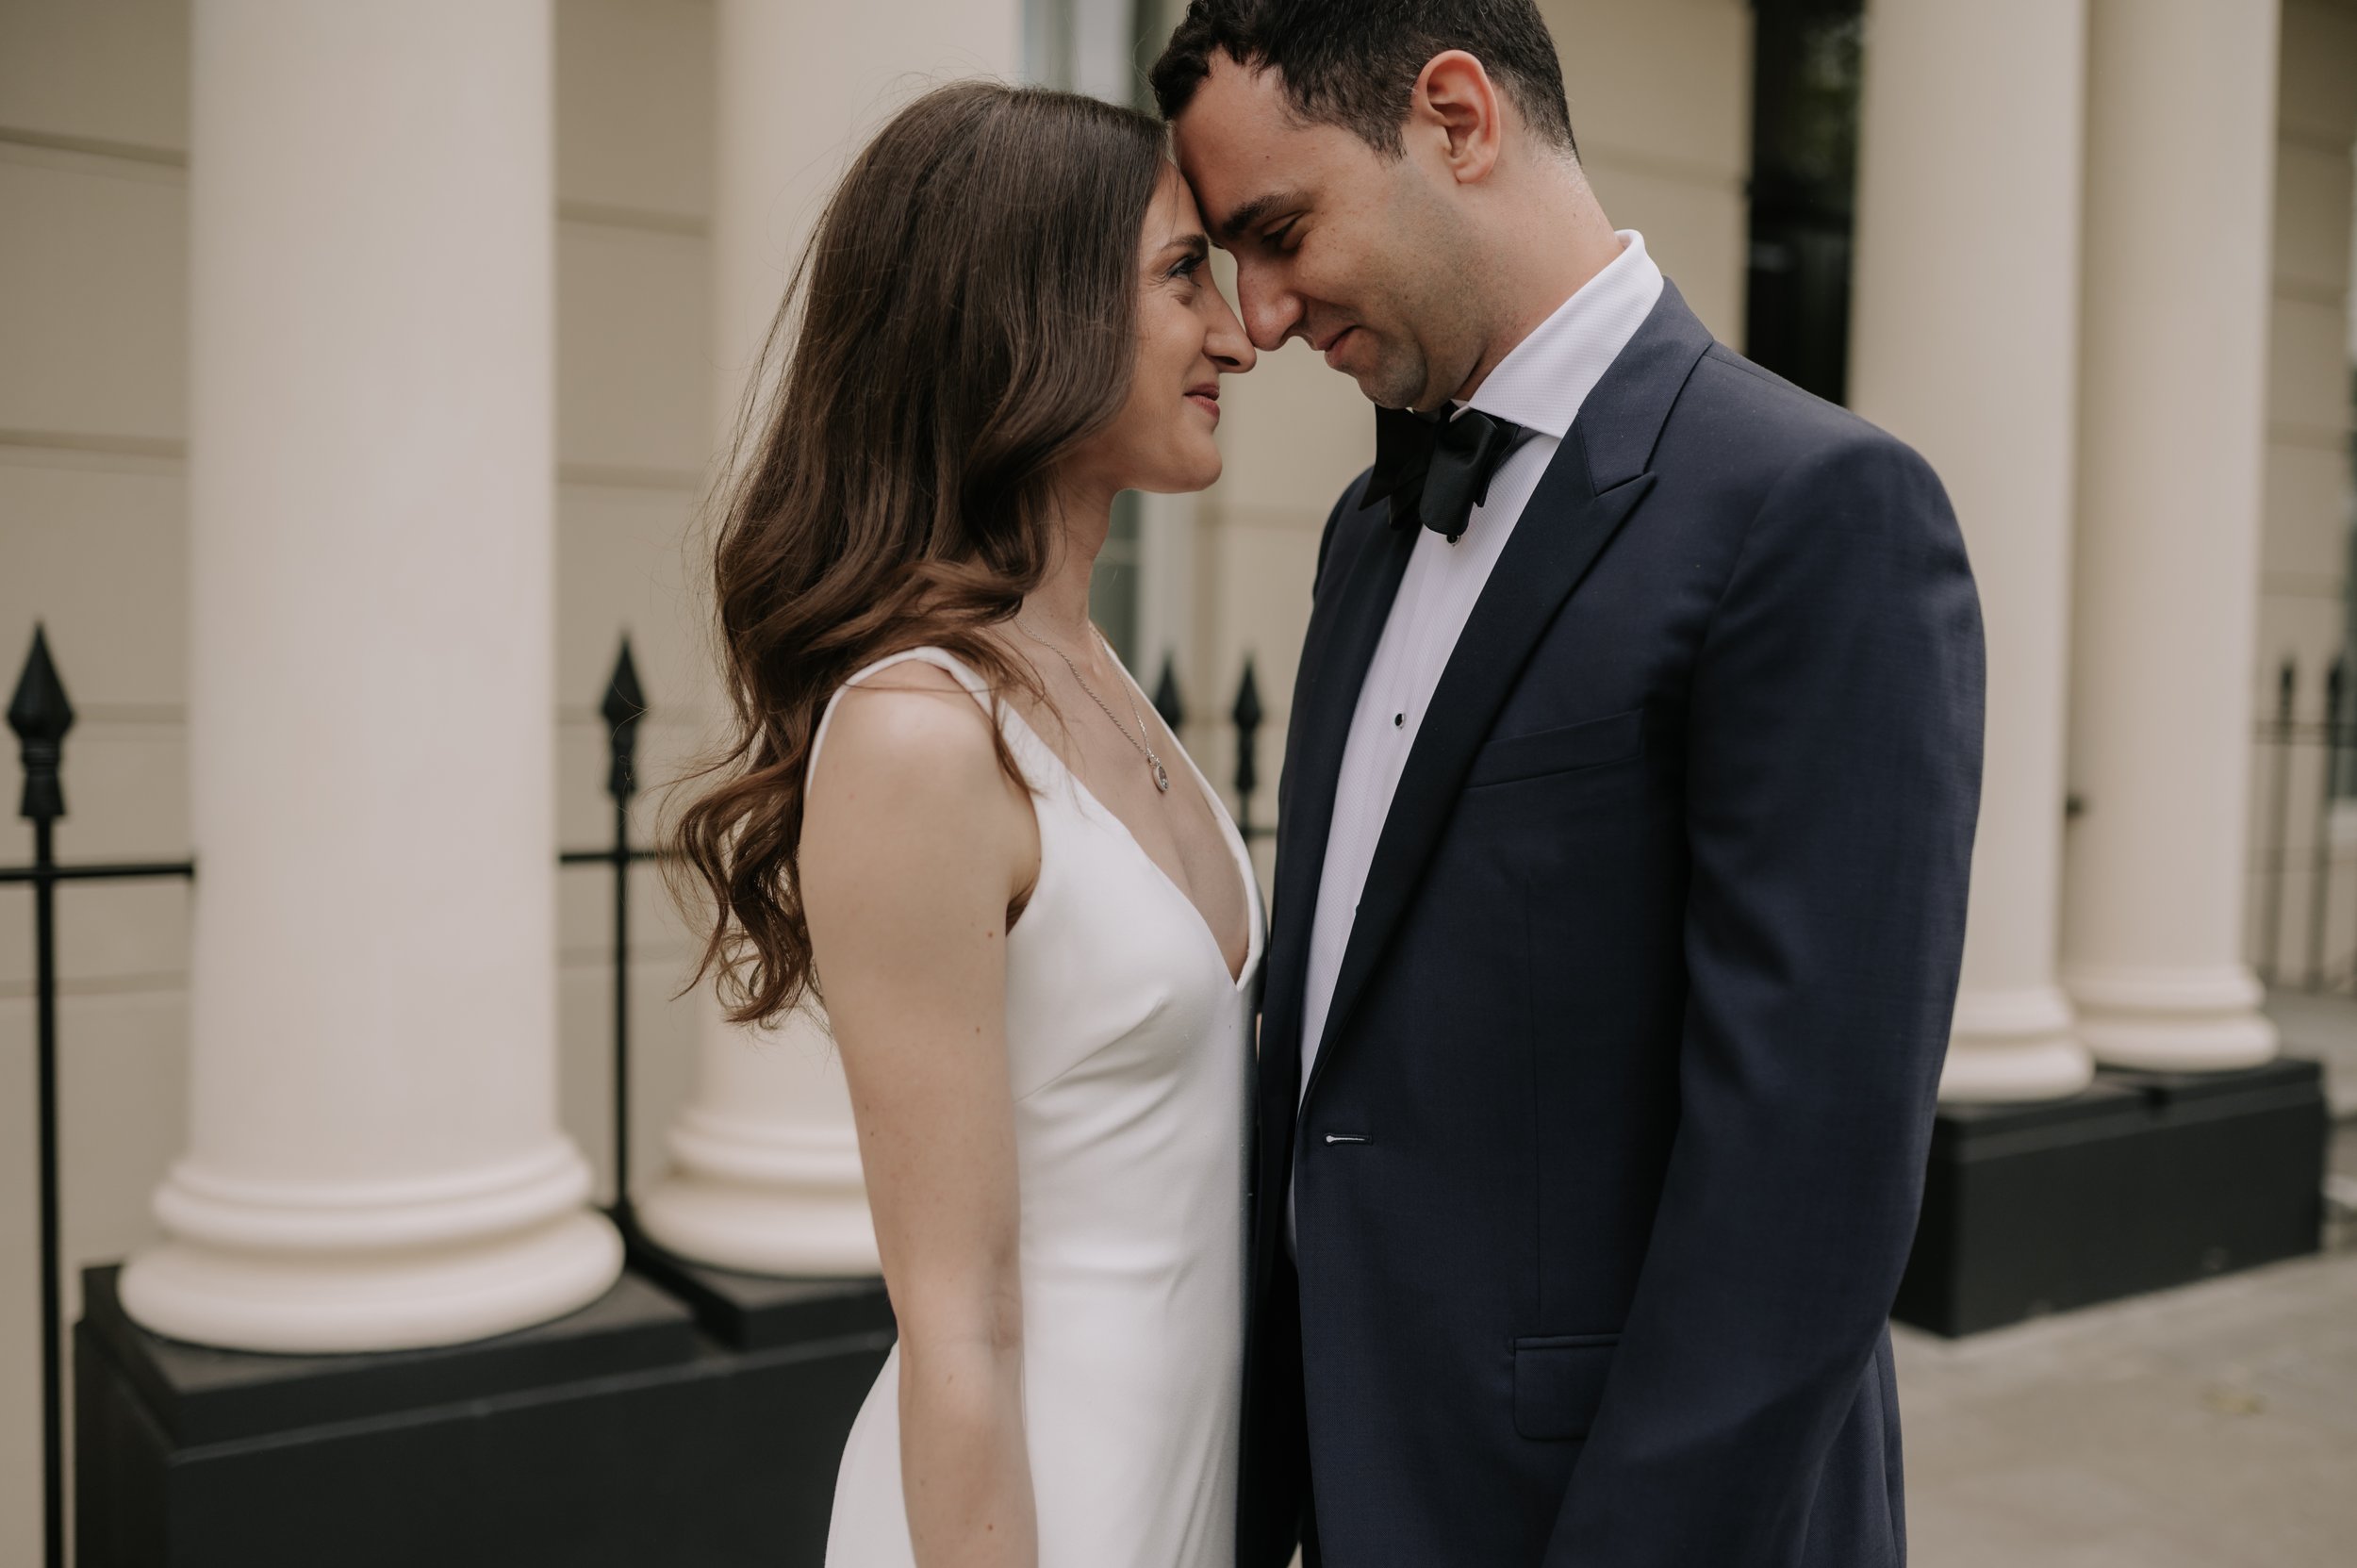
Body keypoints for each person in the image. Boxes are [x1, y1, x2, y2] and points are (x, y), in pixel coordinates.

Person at [1151, 4, 1985, 1565]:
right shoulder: (1365, 530)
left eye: (1278, 230)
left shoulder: (1817, 512)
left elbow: (1809, 1184)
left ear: (1456, 119)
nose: (1256, 318)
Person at [667, 83, 1261, 1568]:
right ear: (1031, 317)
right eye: (1185, 274)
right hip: (1032, 1522)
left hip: (1188, 1498)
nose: (1238, 331)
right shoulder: (922, 735)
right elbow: (959, 1327)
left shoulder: (1092, 668)